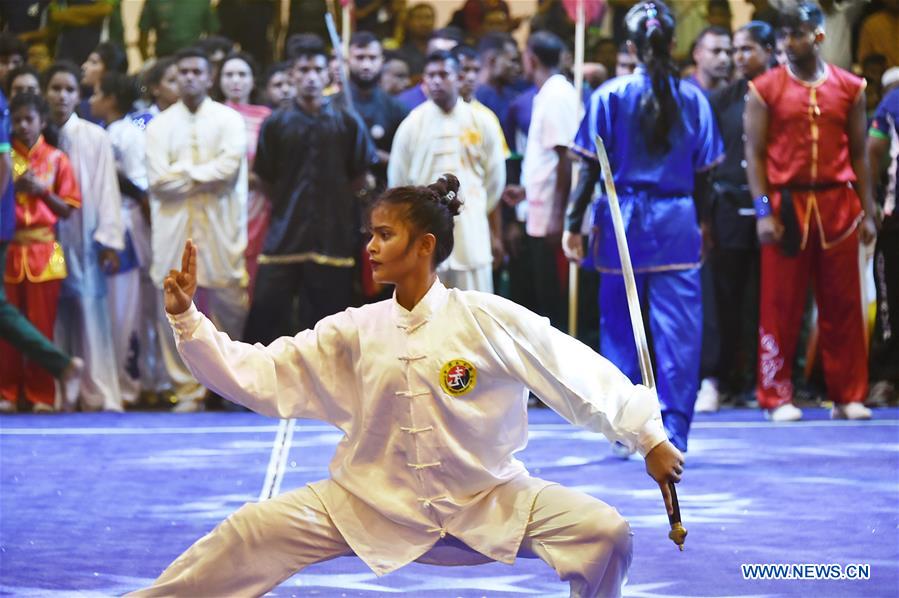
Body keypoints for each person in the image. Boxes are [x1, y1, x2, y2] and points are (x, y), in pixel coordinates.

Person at [128, 173, 684, 597]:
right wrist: (187, 319)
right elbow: (260, 372)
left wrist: (647, 437)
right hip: (369, 501)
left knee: (605, 533)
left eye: (384, 235)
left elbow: (572, 371)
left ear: (424, 245)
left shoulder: (486, 319)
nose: (370, 247)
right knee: (251, 530)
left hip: (488, 499)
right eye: (370, 235)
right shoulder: (354, 329)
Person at [564, 0, 724, 453]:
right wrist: (704, 223)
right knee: (679, 334)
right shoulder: (693, 98)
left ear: (630, 47)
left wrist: (573, 225)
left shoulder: (608, 96)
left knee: (620, 328)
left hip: (622, 220)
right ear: (673, 44)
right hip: (677, 220)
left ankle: (625, 429)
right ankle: (674, 431)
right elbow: (706, 176)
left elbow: (588, 171)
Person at [744, 1, 878, 422]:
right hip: (786, 207)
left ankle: (848, 395)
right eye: (783, 35)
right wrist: (763, 211)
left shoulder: (850, 87)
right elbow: (755, 156)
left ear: (817, 36)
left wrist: (868, 210)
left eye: (796, 34)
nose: (788, 42)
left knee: (844, 305)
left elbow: (861, 154)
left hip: (839, 206)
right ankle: (775, 395)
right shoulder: (764, 89)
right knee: (780, 306)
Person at [243, 34, 375, 344]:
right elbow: (264, 177)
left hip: (334, 235)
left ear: (328, 73)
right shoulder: (276, 123)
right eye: (303, 70)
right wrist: (289, 204)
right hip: (284, 235)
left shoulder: (347, 120)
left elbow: (359, 176)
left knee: (330, 325)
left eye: (317, 69)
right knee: (265, 315)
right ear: (292, 74)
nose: (311, 77)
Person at [145, 47, 248, 412]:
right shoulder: (158, 126)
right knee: (172, 302)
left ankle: (229, 386)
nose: (189, 77)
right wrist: (204, 175)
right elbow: (158, 182)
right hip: (174, 228)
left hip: (220, 226)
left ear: (209, 77)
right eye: (183, 72)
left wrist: (183, 172)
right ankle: (186, 389)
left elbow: (228, 171)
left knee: (230, 300)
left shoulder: (229, 120)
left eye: (196, 71)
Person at [695, 21, 775, 413]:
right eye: (733, 50)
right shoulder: (718, 101)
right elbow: (705, 165)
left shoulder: (782, 96)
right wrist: (703, 218)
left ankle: (766, 382)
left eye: (745, 49)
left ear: (769, 51)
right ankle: (720, 379)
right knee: (724, 300)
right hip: (726, 210)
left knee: (765, 301)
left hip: (770, 211)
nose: (736, 58)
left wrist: (765, 210)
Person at [390, 50, 506, 293]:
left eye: (443, 74)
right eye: (431, 75)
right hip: (424, 232)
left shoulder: (482, 121)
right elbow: (398, 183)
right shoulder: (412, 125)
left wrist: (473, 208)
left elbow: (495, 181)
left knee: (474, 308)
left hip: (471, 234)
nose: (436, 81)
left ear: (459, 78)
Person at [47, 61, 125, 412]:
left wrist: (109, 239)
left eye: (69, 89)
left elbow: (108, 189)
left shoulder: (94, 136)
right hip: (46, 239)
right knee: (53, 312)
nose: (62, 96)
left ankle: (99, 391)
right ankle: (57, 391)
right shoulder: (36, 134)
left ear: (79, 95)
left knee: (90, 310)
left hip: (86, 235)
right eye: (55, 89)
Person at [0, 92, 80, 413]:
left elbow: (68, 208)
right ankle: (7, 392)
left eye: (29, 119)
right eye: (17, 120)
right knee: (5, 330)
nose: (22, 126)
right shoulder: (7, 156)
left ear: (43, 122)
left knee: (41, 325)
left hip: (45, 251)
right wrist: (14, 189)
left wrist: (42, 191)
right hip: (10, 248)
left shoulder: (57, 159)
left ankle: (41, 394)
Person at [89, 72, 154, 408]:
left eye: (96, 93)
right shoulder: (111, 131)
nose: (91, 100)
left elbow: (141, 188)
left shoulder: (124, 133)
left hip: (126, 228)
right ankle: (124, 383)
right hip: (117, 224)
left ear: (111, 99)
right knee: (121, 311)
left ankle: (129, 386)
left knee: (126, 312)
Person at [516, 31, 579, 328]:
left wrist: (558, 216)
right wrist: (525, 191)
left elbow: (565, 158)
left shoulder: (557, 95)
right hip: (539, 205)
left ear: (531, 59)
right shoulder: (548, 93)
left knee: (554, 301)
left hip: (552, 217)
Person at [216, 51, 272, 299]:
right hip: (220, 204)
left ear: (253, 80)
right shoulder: (212, 116)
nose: (235, 80)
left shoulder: (267, 118)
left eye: (242, 74)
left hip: (259, 204)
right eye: (229, 75)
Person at [867, 72, 899, 406]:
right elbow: (872, 151)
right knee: (891, 300)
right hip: (895, 220)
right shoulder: (893, 102)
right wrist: (871, 204)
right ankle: (887, 377)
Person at [138, 0, 218, 61]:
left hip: (194, 58)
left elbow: (212, 33)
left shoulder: (202, 2)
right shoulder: (153, 2)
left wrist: (209, 60)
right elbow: (143, 37)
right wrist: (147, 62)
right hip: (164, 59)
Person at [687, 26, 733, 95]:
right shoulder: (681, 93)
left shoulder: (736, 94)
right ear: (697, 54)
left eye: (728, 52)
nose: (724, 58)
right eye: (716, 51)